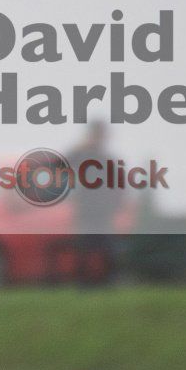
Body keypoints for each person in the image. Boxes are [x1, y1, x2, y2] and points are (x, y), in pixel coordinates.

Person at [68, 122, 120, 286]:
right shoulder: (82, 154)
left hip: (102, 210)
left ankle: (107, 281)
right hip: (86, 209)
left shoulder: (106, 158)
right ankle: (83, 282)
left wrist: (114, 205)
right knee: (85, 247)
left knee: (106, 247)